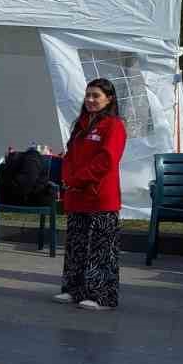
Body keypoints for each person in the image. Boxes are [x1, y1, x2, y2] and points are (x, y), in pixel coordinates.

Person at [57, 78, 128, 312]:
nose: (90, 100)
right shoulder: (81, 124)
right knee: (76, 244)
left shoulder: (114, 125)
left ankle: (102, 296)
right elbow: (70, 155)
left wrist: (79, 178)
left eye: (96, 96)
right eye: (88, 95)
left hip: (100, 197)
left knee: (101, 248)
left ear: (109, 99)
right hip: (78, 196)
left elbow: (107, 160)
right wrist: (68, 177)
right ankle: (74, 289)